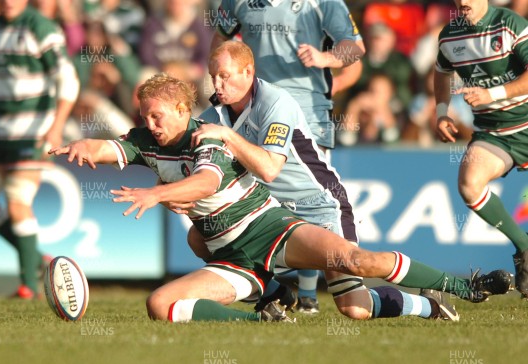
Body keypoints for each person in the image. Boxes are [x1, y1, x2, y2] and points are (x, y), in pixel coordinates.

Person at [50, 73, 513, 323]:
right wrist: (78, 147)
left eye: (156, 116)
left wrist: (157, 194)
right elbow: (108, 147)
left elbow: (207, 184)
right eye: (144, 117)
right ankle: (269, 312)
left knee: (355, 265)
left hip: (269, 228)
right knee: (160, 306)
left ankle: (459, 289)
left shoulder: (208, 136)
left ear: (179, 111)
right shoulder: (145, 141)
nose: (149, 124)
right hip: (231, 255)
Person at [173, 41, 460, 320]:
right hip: (268, 213)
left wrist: (227, 136)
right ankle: (274, 293)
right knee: (199, 237)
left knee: (354, 307)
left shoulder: (275, 101)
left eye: (224, 75)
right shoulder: (214, 115)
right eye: (213, 77)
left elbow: (270, 170)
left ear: (248, 72)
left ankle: (430, 305)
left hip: (317, 204)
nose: (217, 85)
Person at [211, 0, 365, 312]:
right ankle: (280, 289)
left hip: (306, 111)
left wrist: (326, 57)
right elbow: (220, 41)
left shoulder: (323, 3)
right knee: (263, 198)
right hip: (252, 113)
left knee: (306, 193)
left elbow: (355, 48)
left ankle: (307, 292)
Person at [0, 0, 79, 299]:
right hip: (0, 137)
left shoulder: (41, 28)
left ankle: (28, 284)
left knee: (17, 205)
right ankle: (38, 259)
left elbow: (68, 82)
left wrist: (55, 128)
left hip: (33, 135)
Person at [434, 0, 528, 299]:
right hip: (495, 132)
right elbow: (440, 72)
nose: (463, 2)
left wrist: (492, 93)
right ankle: (525, 249)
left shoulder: (509, 24)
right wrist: (441, 112)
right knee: (469, 185)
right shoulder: (450, 36)